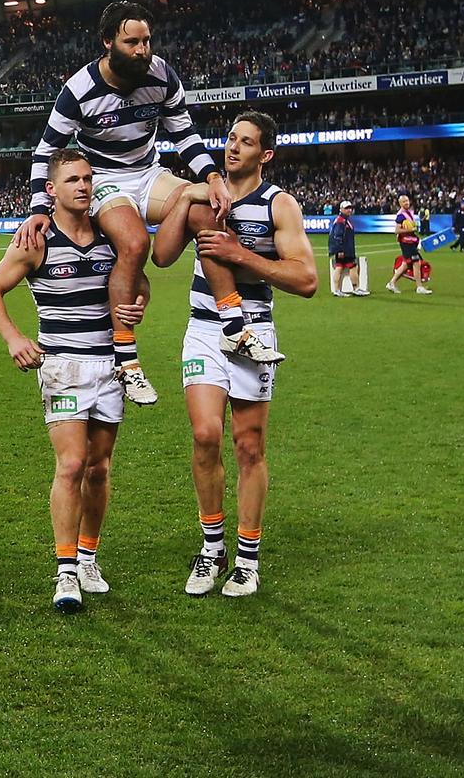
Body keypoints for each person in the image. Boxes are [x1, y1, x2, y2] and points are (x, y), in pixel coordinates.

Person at [14, 1, 281, 405]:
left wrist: (211, 178)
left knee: (206, 212)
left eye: (147, 41)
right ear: (108, 43)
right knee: (135, 243)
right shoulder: (78, 90)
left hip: (148, 172)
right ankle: (127, 359)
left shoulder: (162, 75)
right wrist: (38, 208)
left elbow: (185, 136)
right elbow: (45, 150)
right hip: (104, 178)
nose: (143, 50)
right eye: (132, 41)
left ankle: (233, 327)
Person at [152, 111, 318, 598]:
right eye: (230, 138)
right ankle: (212, 547)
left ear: (265, 154)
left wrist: (240, 254)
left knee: (248, 448)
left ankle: (247, 560)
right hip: (205, 329)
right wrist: (184, 196)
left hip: (255, 331)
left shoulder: (278, 205)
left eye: (246, 142)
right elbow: (162, 256)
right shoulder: (205, 193)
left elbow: (306, 280)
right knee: (206, 435)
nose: (233, 147)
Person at [0, 150, 148, 613]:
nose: (83, 185)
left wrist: (138, 304)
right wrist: (14, 338)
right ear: (51, 189)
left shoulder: (110, 236)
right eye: (72, 179)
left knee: (99, 468)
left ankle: (89, 557)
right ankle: (66, 570)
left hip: (110, 365)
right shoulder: (36, 239)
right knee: (72, 464)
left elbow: (140, 281)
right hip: (63, 366)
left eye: (88, 178)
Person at [386, 194, 433, 295]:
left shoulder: (409, 213)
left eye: (407, 201)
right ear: (400, 203)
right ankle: (419, 287)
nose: (406, 203)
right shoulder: (401, 215)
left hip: (411, 241)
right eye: (404, 202)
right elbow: (397, 230)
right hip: (406, 242)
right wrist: (410, 229)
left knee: (406, 264)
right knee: (416, 262)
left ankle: (391, 283)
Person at [328, 200, 370, 297]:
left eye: (350, 208)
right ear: (341, 209)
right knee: (352, 267)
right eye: (347, 208)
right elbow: (338, 236)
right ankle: (355, 288)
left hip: (345, 249)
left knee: (340, 267)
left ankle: (337, 290)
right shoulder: (341, 221)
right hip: (345, 250)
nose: (349, 210)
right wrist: (340, 250)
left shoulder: (343, 220)